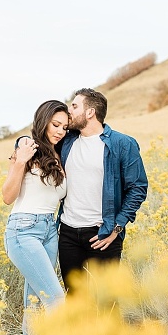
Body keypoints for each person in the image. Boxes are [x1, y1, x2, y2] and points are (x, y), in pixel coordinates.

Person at [57, 87, 148, 294]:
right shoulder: (67, 140)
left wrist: (116, 228)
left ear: (90, 112)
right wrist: (21, 143)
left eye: (74, 106)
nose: (68, 111)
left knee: (106, 301)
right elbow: (42, 139)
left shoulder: (122, 143)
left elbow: (138, 188)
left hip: (103, 234)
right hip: (68, 233)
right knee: (75, 299)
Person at [2, 100, 69, 335]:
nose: (60, 130)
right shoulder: (26, 146)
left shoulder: (59, 155)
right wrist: (20, 162)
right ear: (43, 121)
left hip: (49, 231)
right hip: (24, 230)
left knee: (34, 305)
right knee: (57, 301)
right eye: (55, 124)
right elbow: (8, 196)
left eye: (64, 126)